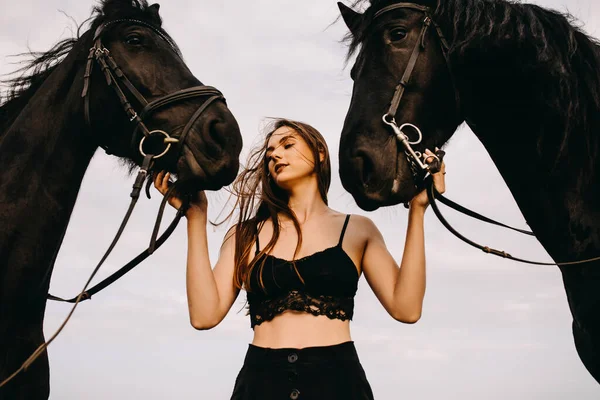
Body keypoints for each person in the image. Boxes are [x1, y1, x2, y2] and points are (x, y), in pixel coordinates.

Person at [154, 118, 446, 400]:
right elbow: (204, 316)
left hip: (338, 382)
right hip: (261, 383)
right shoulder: (244, 234)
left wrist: (418, 211)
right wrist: (195, 217)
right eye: (270, 153)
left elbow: (406, 309)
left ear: (319, 153)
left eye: (287, 145)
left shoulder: (357, 230)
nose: (276, 155)